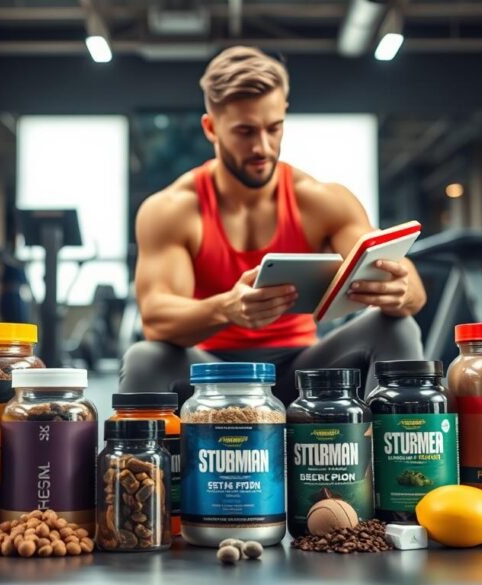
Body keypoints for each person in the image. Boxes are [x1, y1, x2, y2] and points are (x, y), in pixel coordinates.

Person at [119, 46, 426, 405]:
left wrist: (401, 291)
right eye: (245, 131)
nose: (262, 147)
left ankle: (400, 443)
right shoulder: (172, 209)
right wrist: (226, 308)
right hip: (213, 377)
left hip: (305, 374)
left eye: (273, 128)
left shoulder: (321, 200)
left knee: (396, 326)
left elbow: (412, 288)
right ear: (211, 128)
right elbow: (156, 318)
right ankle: (146, 448)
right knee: (144, 357)